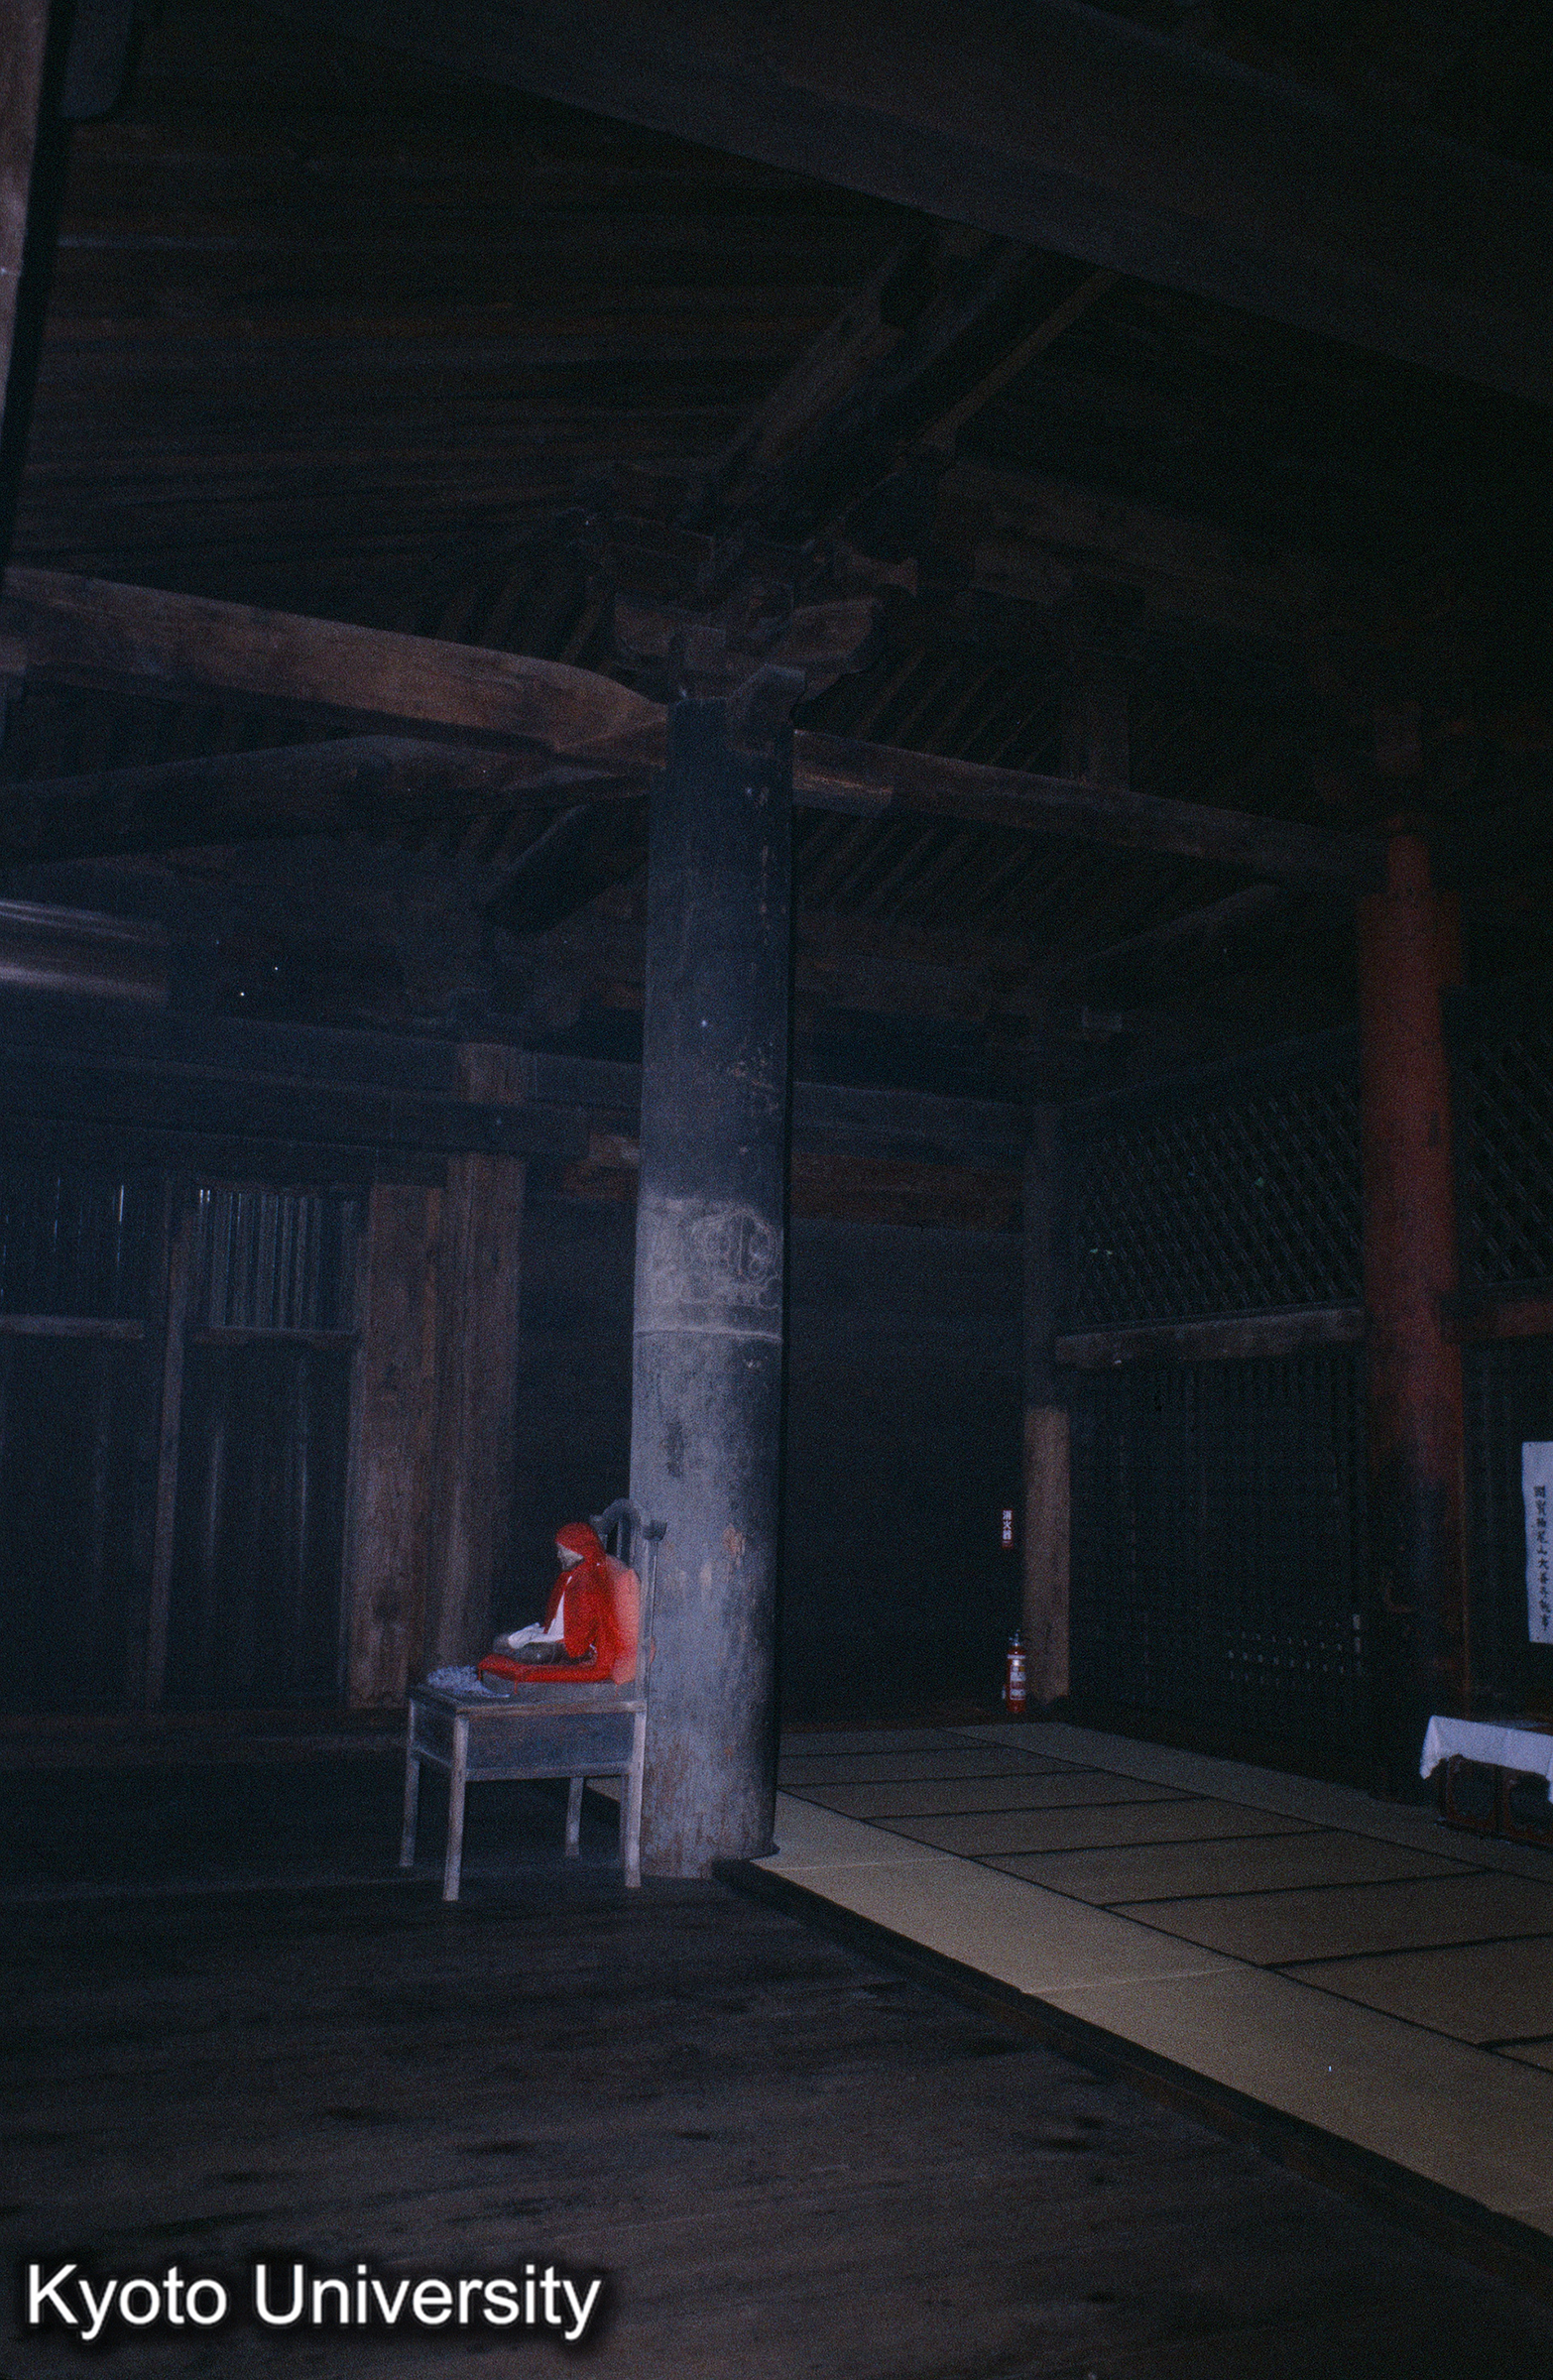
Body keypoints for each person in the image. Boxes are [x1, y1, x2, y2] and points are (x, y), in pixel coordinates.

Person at [477, 1520, 635, 1688]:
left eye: (562, 1551)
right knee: (501, 1642)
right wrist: (538, 1635)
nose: (559, 1556)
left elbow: (582, 1636)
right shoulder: (569, 1577)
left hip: (573, 1645)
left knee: (535, 1654)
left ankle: (520, 1654)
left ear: (578, 1550)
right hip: (556, 1636)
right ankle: (519, 1652)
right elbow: (556, 1621)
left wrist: (546, 1640)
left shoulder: (589, 1580)